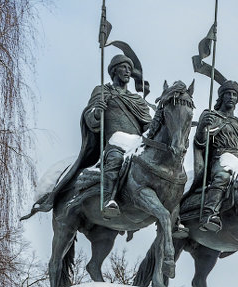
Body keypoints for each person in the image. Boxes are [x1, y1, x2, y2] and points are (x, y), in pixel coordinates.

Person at [24, 53, 152, 218]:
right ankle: (109, 200)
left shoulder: (137, 99)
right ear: (114, 71)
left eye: (129, 68)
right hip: (116, 143)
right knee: (115, 159)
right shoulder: (103, 91)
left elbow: (148, 124)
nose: (127, 71)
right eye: (123, 67)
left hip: (136, 146)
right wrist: (97, 112)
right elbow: (90, 119)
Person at [192, 79, 238, 230]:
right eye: (228, 93)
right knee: (223, 176)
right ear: (221, 97)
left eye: (234, 95)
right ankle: (209, 213)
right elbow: (200, 143)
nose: (231, 97)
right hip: (221, 157)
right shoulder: (212, 116)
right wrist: (202, 127)